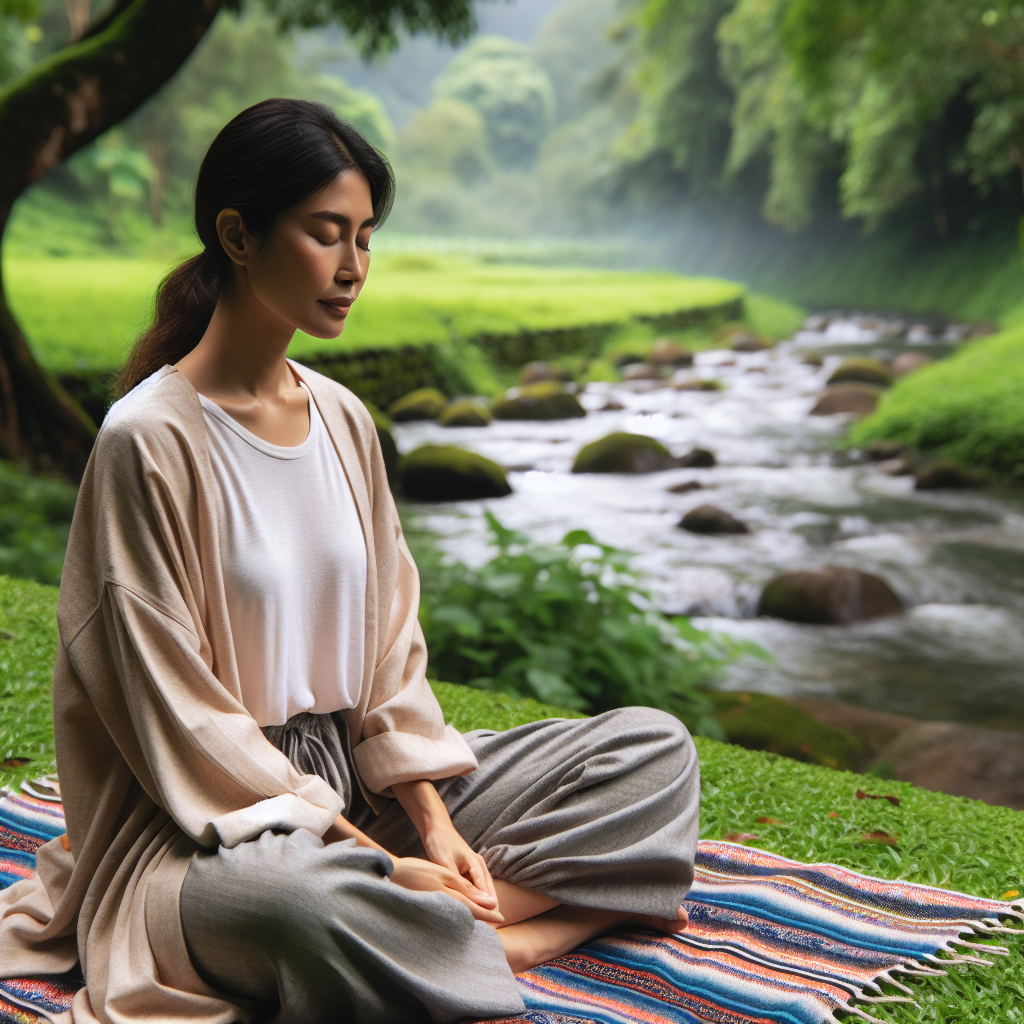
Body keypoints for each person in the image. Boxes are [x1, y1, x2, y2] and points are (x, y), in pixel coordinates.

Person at [0, 99, 700, 1024]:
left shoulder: (342, 420)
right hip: (204, 823)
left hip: (354, 778)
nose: (353, 267)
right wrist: (370, 859)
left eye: (366, 237)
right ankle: (521, 933)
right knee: (301, 905)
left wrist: (434, 828)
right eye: (326, 233)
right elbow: (181, 715)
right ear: (238, 236)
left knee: (652, 751)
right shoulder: (147, 442)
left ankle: (453, 933)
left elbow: (388, 655)